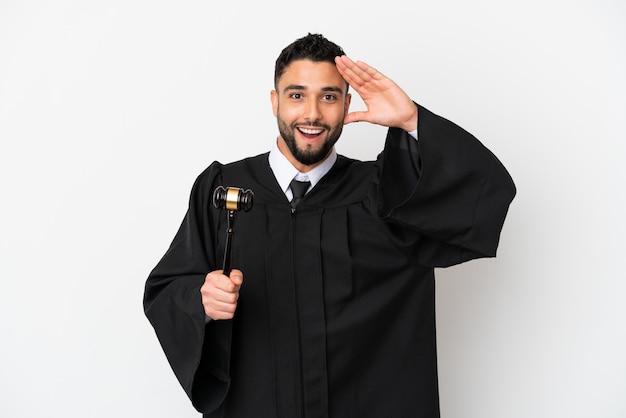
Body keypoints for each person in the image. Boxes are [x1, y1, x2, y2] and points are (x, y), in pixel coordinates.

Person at [143, 33, 516, 418]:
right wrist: (200, 301)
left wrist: (412, 121)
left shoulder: (384, 193)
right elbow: (166, 288)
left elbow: (480, 197)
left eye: (328, 96)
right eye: (296, 95)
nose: (312, 114)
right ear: (274, 102)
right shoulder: (223, 190)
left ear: (347, 104)